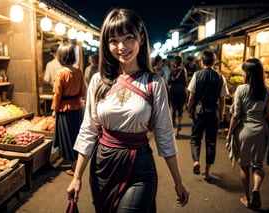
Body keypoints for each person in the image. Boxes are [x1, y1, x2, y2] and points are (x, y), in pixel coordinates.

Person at [66, 8, 189, 212]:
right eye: (113, 40)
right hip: (102, 167)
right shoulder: (98, 81)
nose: (121, 47)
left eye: (128, 38)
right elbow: (88, 130)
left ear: (141, 38)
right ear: (106, 44)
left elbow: (165, 134)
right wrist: (76, 177)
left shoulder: (154, 83)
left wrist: (179, 181)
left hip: (139, 168)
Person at [225, 58, 269, 209]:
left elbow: (236, 115)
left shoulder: (241, 89)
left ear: (248, 73)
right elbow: (268, 115)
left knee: (244, 166)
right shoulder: (268, 89)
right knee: (258, 164)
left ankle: (247, 198)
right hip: (261, 130)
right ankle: (256, 188)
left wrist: (229, 133)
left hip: (245, 130)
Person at [186, 50, 229, 180]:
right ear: (214, 62)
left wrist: (189, 110)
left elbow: (191, 96)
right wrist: (221, 114)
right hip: (213, 112)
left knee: (195, 138)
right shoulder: (220, 77)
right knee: (211, 141)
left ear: (202, 62)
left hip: (199, 111)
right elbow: (222, 99)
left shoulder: (197, 75)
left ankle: (196, 161)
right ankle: (207, 171)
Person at [51, 43, 86, 176]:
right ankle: (77, 164)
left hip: (64, 109)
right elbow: (82, 92)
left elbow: (57, 94)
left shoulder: (61, 73)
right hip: (77, 108)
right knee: (77, 136)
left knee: (68, 139)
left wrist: (54, 110)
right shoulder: (78, 72)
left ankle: (74, 168)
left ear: (60, 57)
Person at [168, 56, 188, 137]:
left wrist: (173, 80)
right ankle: (179, 127)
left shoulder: (172, 71)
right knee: (180, 110)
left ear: (175, 63)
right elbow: (186, 82)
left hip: (173, 92)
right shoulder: (184, 70)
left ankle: (173, 125)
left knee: (174, 109)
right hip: (181, 92)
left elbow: (169, 82)